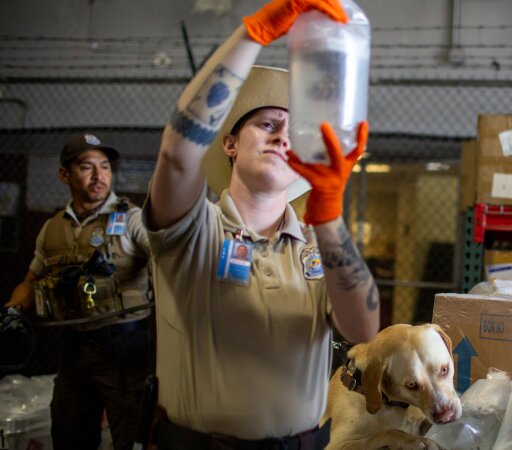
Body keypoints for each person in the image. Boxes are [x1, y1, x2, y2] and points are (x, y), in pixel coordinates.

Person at [142, 0, 380, 448]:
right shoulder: (194, 232)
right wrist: (251, 34)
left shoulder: (317, 247)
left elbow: (363, 330)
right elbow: (177, 152)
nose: (281, 136)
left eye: (293, 132)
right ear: (229, 143)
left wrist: (327, 217)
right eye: (267, 123)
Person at [4, 133, 154, 450]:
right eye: (87, 167)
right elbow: (30, 280)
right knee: (70, 435)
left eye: (105, 167)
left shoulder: (131, 219)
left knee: (132, 439)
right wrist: (13, 310)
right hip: (74, 346)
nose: (100, 176)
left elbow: (164, 257)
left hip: (127, 346)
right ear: (65, 174)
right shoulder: (52, 228)